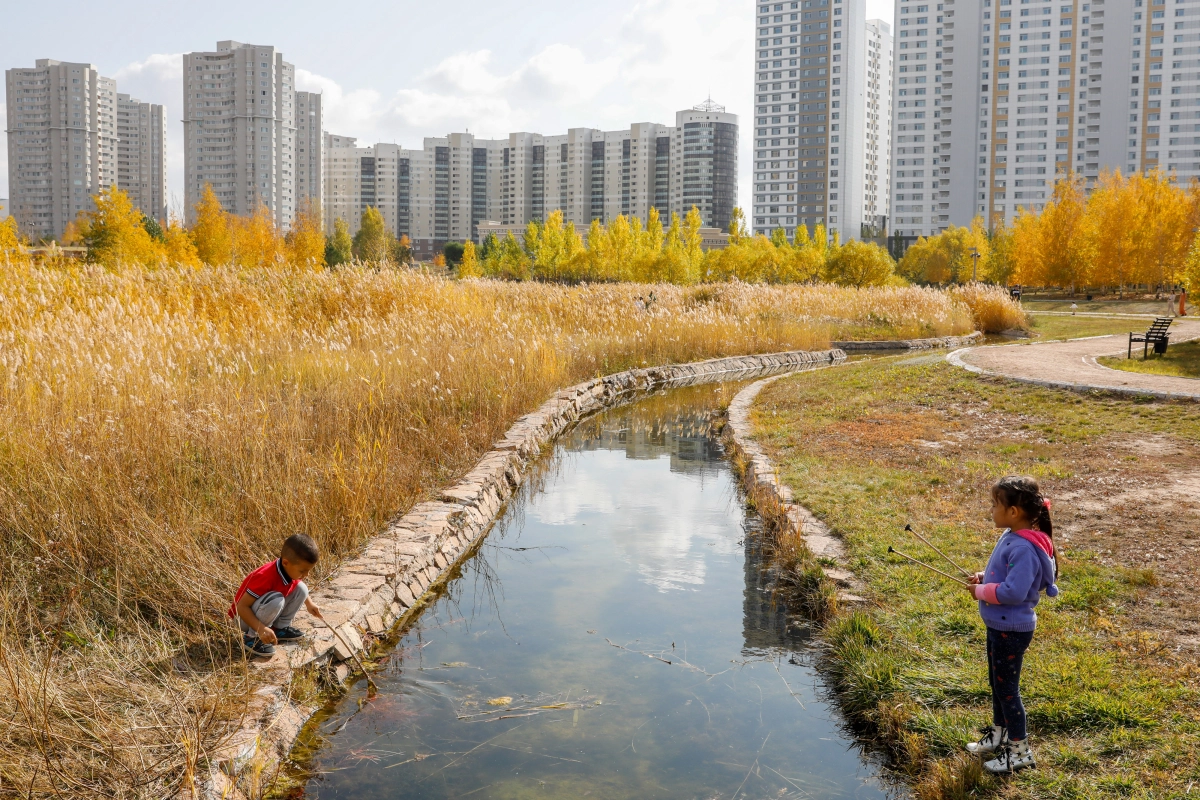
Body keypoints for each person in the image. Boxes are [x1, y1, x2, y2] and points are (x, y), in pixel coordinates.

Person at [964, 476, 1060, 774]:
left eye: (995, 504)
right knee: (997, 683)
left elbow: (1014, 592)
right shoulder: (1012, 535)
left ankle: (1020, 751)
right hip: (998, 625)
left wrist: (980, 591)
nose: (991, 510)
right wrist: (985, 577)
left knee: (1008, 690)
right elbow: (1008, 575)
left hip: (1011, 629)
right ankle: (999, 734)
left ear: (1014, 511)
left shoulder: (1024, 547)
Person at [229, 533, 324, 657]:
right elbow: (241, 607)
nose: (306, 575)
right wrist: (261, 629)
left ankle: (279, 629)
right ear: (285, 562)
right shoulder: (266, 577)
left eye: (308, 570)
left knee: (302, 588)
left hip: (260, 611)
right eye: (302, 571)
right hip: (243, 618)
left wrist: (309, 603)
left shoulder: (288, 570)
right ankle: (252, 638)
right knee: (276, 600)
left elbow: (298, 583)